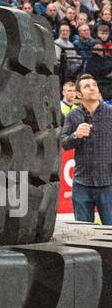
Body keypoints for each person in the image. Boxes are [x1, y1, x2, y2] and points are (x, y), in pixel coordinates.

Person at [62, 73, 112, 225]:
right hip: (82, 184)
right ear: (79, 94)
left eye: (94, 85)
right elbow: (64, 143)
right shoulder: (72, 115)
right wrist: (76, 135)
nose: (92, 88)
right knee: (84, 234)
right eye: (87, 86)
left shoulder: (110, 113)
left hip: (108, 184)